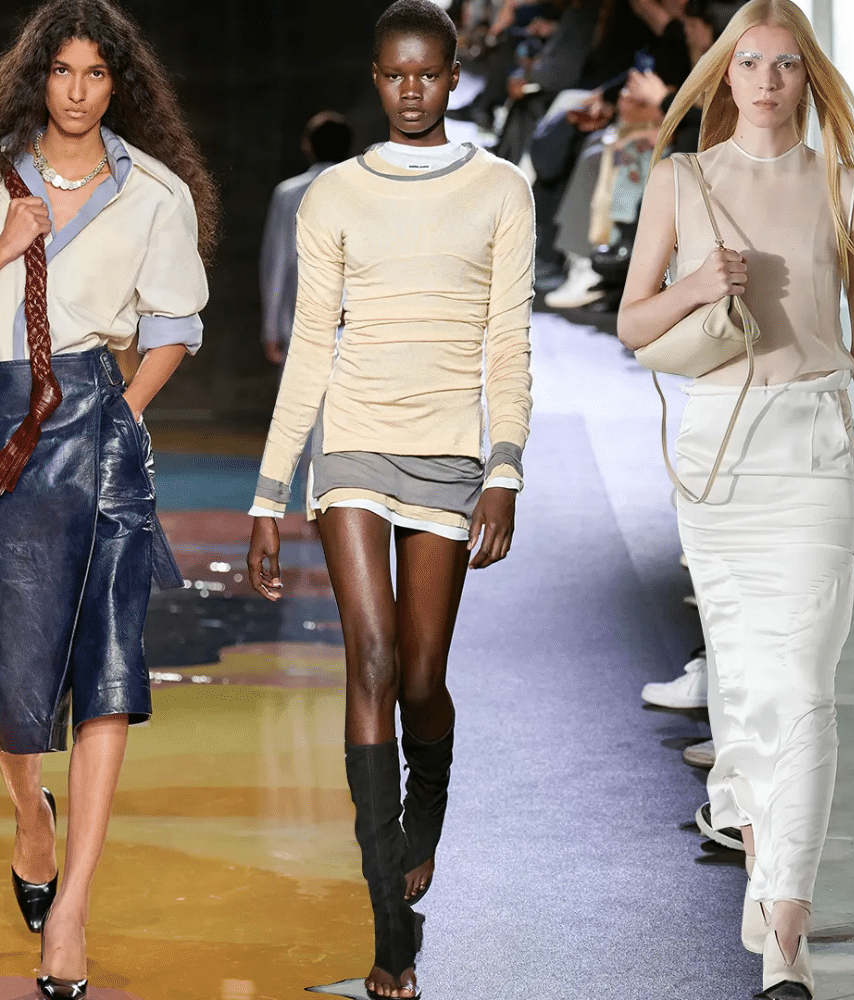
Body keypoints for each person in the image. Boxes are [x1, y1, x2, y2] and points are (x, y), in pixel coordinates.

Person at [619, 2, 854, 996]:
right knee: (745, 687)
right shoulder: (682, 180)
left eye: (787, 64)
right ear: (725, 74)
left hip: (817, 448)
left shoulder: (850, 190)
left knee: (803, 686)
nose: (768, 80)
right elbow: (633, 323)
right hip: (719, 452)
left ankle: (788, 925)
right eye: (750, 63)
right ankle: (762, 862)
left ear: (807, 78)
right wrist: (698, 283)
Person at [244, 1, 534, 996]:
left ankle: (428, 800)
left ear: (452, 76)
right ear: (376, 77)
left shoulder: (501, 188)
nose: (412, 91)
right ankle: (387, 923)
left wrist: (504, 470)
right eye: (395, 75)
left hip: (450, 449)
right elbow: (311, 348)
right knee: (368, 658)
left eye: (428, 74)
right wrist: (270, 494)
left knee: (419, 678)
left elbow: (509, 342)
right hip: (353, 445)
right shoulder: (334, 194)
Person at [0, 1, 215, 996]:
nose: (78, 91)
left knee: (106, 670)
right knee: (10, 677)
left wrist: (120, 414)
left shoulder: (155, 193)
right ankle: (29, 812)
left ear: (117, 82)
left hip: (96, 423)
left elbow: (172, 326)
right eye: (63, 71)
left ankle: (73, 912)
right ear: (37, 76)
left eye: (95, 72)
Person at [259, 111, 352, 366]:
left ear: (307, 145)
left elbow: (277, 265)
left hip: (302, 326)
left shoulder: (289, 195)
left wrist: (270, 330)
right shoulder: (366, 192)